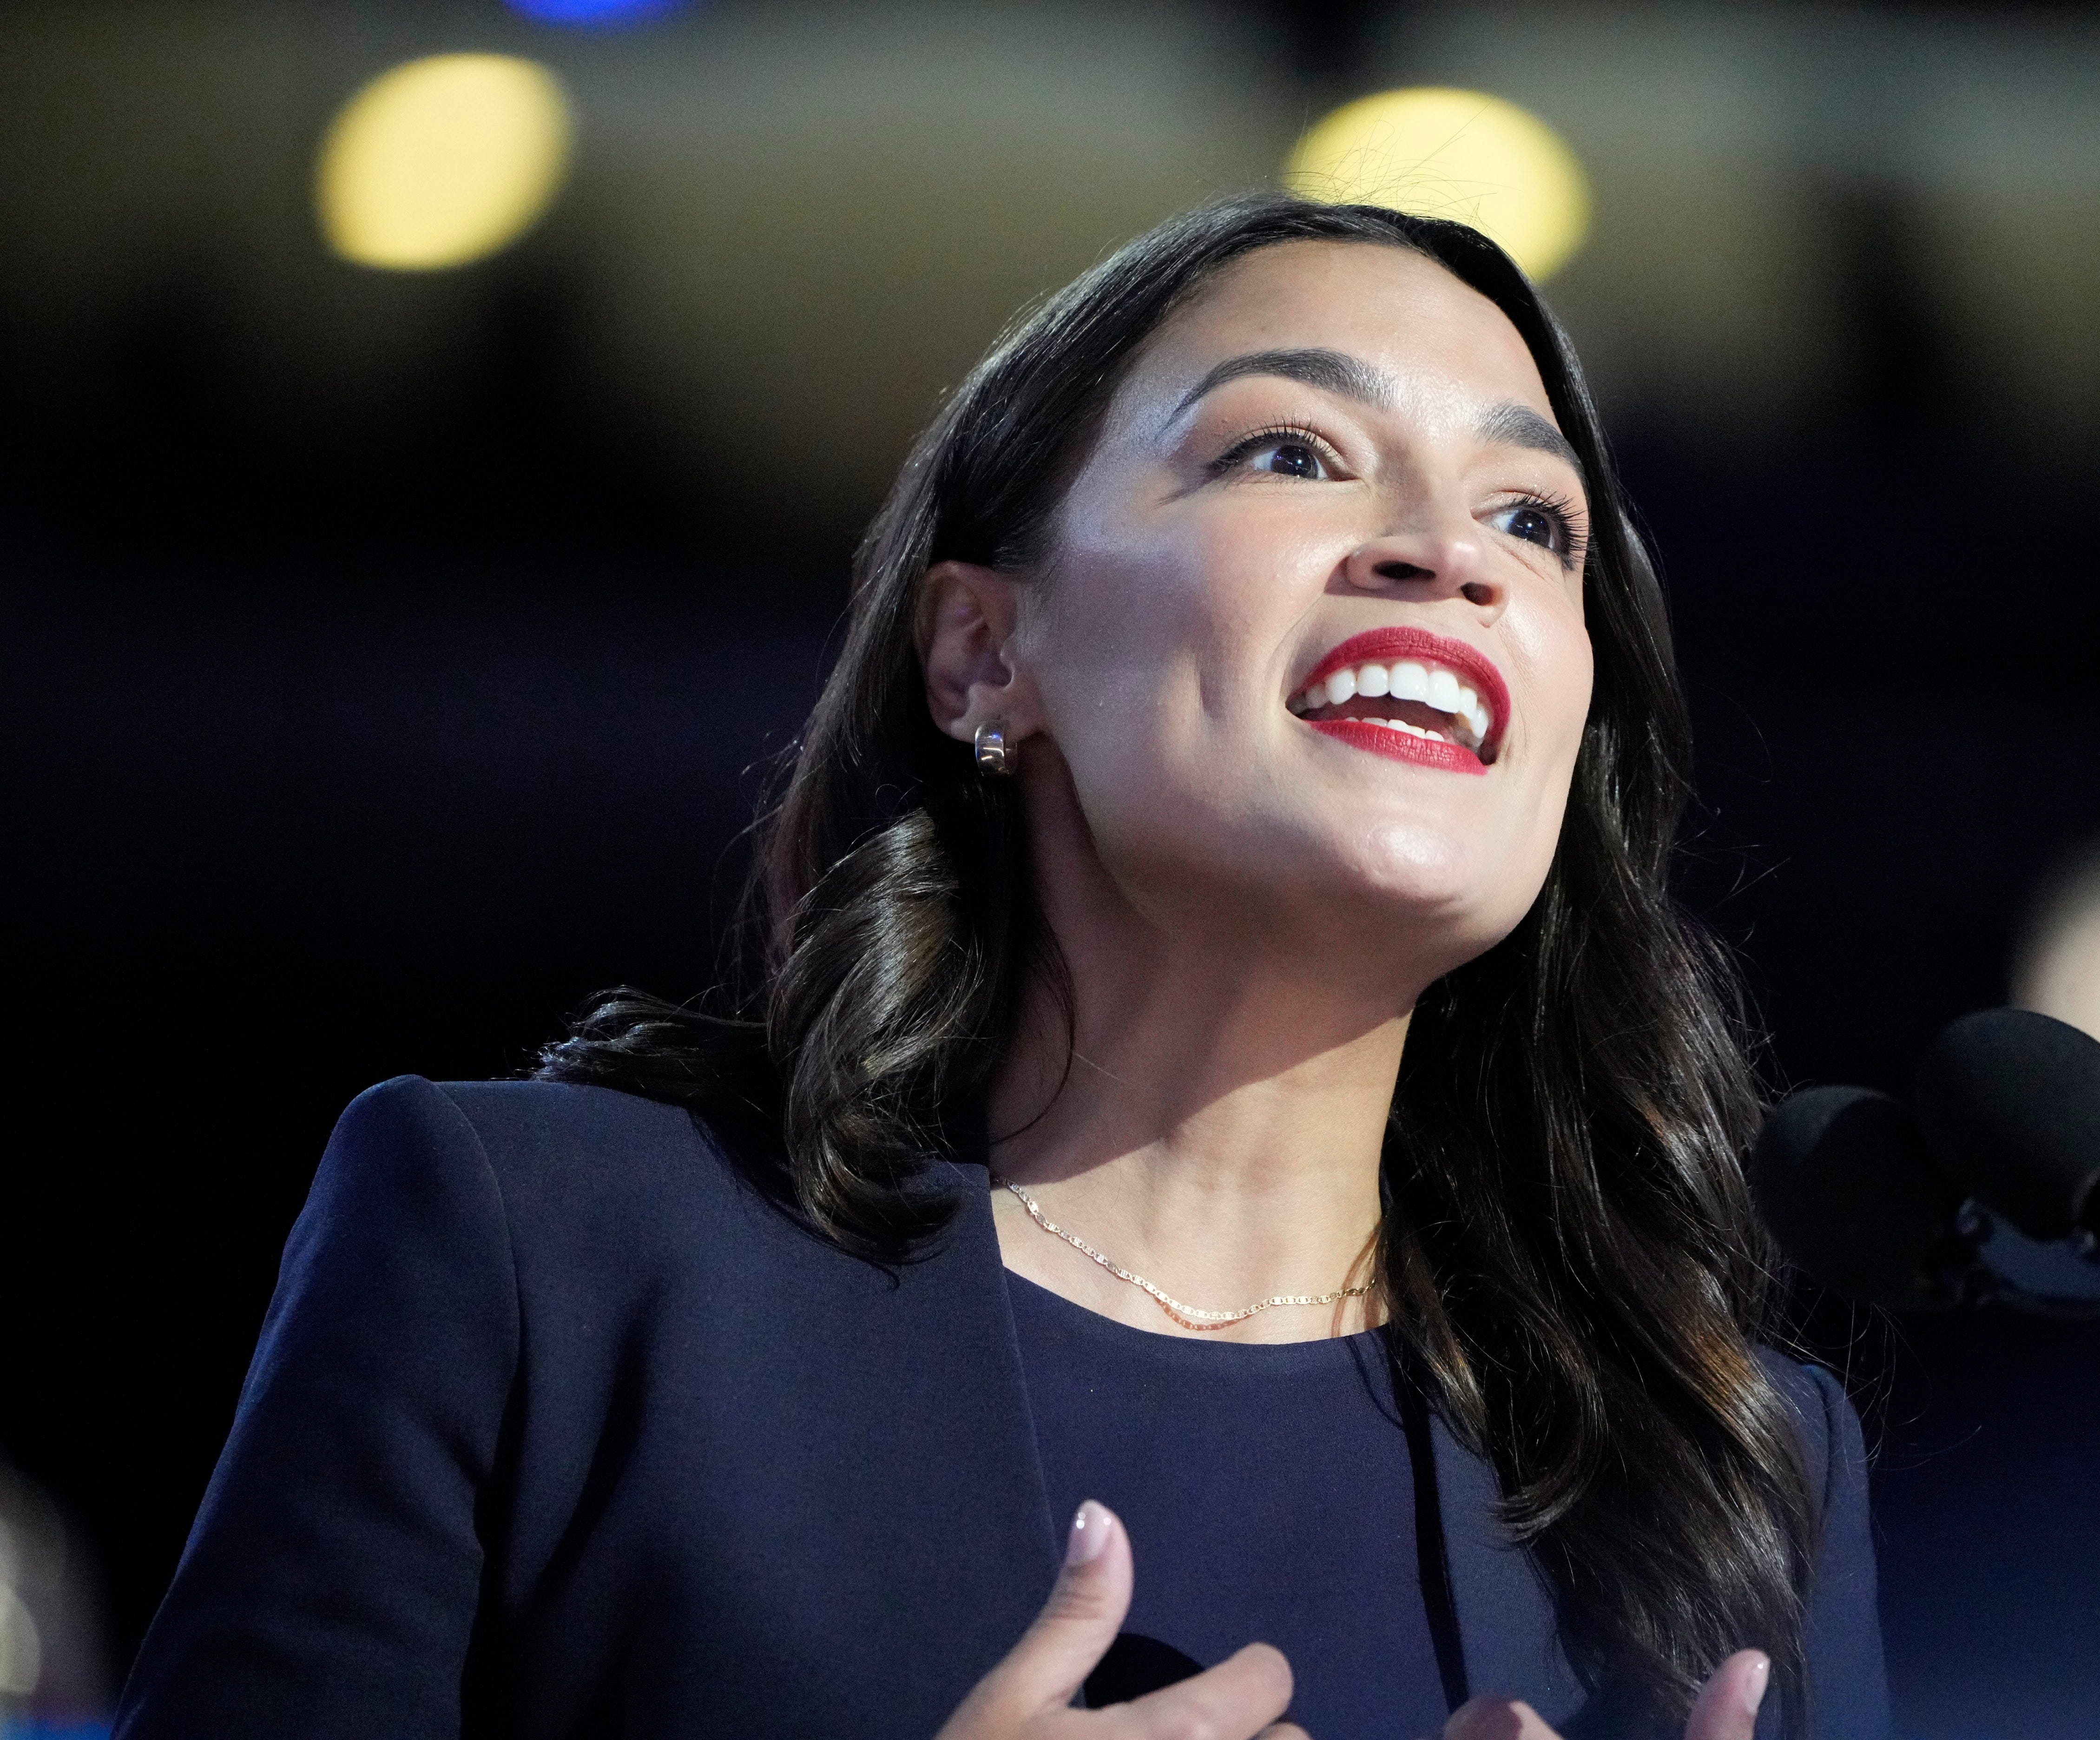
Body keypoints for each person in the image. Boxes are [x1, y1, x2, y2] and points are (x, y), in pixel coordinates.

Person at [113, 196, 1888, 1740]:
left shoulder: (1730, 1471)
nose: (1449, 556)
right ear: (983, 652)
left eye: (1537, 522)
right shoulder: (539, 1262)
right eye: (1291, 452)